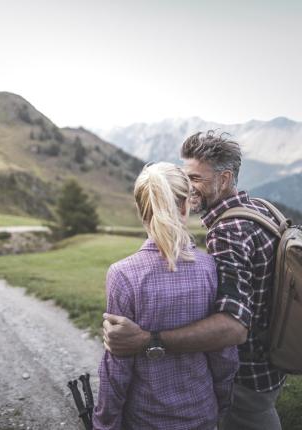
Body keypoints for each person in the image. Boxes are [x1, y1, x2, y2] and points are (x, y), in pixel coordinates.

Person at [103, 132, 286, 430]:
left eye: (195, 178)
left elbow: (233, 328)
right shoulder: (260, 209)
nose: (188, 187)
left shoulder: (229, 232)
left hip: (247, 377)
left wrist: (150, 340)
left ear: (224, 179)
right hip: (271, 364)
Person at [93, 162, 238, 430]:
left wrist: (105, 422)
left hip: (146, 418)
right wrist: (220, 401)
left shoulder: (122, 275)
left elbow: (118, 365)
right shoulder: (209, 267)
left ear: (140, 210)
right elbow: (223, 355)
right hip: (202, 412)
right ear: (185, 206)